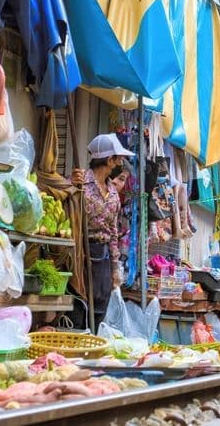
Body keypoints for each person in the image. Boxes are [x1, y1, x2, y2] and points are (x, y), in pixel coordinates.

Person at [85, 133, 134, 324]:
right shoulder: (81, 184)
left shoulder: (113, 193)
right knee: (82, 304)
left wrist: (115, 267)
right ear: (108, 159)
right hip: (83, 253)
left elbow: (113, 232)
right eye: (117, 158)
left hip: (103, 257)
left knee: (100, 306)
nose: (120, 162)